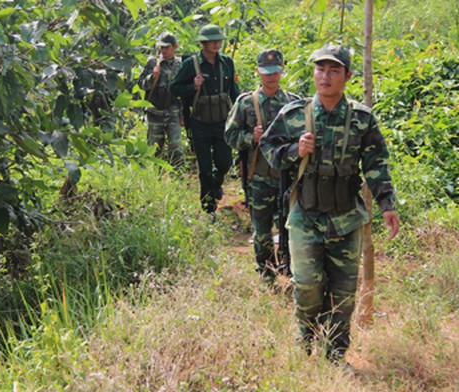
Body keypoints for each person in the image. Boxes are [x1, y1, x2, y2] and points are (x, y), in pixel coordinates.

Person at [260, 44, 400, 367]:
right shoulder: (294, 115)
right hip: (305, 216)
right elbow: (269, 147)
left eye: (334, 70)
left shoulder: (362, 119)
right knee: (307, 284)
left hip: (347, 218)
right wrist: (295, 149)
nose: (326, 76)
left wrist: (387, 204)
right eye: (321, 69)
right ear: (314, 73)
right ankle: (306, 343)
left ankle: (335, 354)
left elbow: (377, 163)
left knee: (343, 292)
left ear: (347, 76)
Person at [224, 49, 300, 284]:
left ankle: (292, 270)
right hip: (259, 177)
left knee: (290, 228)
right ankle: (266, 274)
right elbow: (229, 135)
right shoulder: (246, 103)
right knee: (263, 231)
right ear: (258, 71)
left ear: (282, 70)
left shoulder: (293, 103)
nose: (271, 77)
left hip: (287, 177)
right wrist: (250, 138)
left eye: (275, 71)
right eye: (266, 72)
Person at [170, 24, 240, 215]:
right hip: (200, 123)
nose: (217, 44)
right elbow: (174, 88)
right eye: (212, 41)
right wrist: (192, 86)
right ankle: (208, 208)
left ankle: (216, 183)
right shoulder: (191, 64)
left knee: (225, 162)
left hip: (222, 122)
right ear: (203, 43)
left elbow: (234, 91)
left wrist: (241, 112)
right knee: (205, 168)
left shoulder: (227, 63)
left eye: (219, 40)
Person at [137, 32, 185, 169]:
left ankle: (178, 175)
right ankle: (154, 178)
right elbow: (140, 84)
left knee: (175, 145)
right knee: (154, 148)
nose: (163, 51)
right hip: (154, 111)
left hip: (173, 111)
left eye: (167, 47)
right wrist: (153, 77)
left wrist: (184, 114)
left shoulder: (180, 65)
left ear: (175, 47)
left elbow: (184, 91)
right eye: (161, 47)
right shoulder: (152, 63)